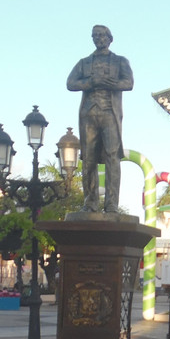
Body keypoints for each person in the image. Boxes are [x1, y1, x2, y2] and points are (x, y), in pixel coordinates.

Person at [67, 24, 134, 213]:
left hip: (109, 113)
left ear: (110, 39)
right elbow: (70, 83)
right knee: (88, 158)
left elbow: (129, 83)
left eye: (102, 35)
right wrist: (90, 82)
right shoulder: (84, 62)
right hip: (88, 114)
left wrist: (111, 84)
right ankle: (90, 202)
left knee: (113, 157)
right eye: (95, 35)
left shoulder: (120, 61)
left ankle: (111, 204)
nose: (99, 38)